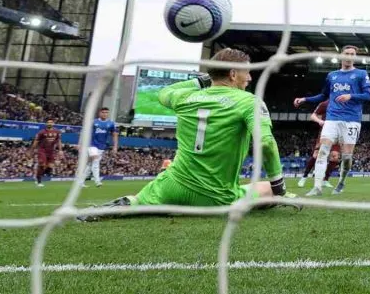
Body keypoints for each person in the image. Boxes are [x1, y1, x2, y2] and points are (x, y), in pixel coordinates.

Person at [80, 48, 295, 221]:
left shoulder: (184, 98)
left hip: (172, 186)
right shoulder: (248, 102)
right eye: (247, 72)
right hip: (216, 197)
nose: (249, 77)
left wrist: (201, 81)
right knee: (267, 190)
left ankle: (129, 204)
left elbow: (164, 93)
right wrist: (279, 186)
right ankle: (272, 195)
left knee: (141, 199)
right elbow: (266, 143)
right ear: (232, 74)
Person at [293, 45, 370, 196]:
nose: (349, 56)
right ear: (341, 56)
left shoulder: (361, 74)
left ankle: (341, 182)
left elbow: (368, 95)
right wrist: (305, 99)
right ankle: (317, 187)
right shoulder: (332, 75)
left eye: (352, 54)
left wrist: (351, 96)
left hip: (351, 120)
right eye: (347, 53)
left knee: (347, 157)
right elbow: (323, 95)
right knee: (323, 151)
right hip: (332, 118)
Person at [296, 100, 337, 190]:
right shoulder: (325, 104)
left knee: (335, 157)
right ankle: (304, 177)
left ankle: (325, 180)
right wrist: (320, 121)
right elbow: (313, 116)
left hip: (337, 133)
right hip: (325, 132)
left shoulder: (343, 103)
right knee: (316, 155)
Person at [82, 107, 118, 187]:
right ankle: (97, 181)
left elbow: (115, 135)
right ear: (100, 113)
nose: (105, 114)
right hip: (92, 145)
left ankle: (80, 181)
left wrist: (115, 146)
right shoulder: (94, 122)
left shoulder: (111, 123)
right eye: (103, 112)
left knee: (90, 164)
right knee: (96, 162)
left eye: (106, 112)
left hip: (102, 146)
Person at [32, 119, 62, 186]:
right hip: (42, 150)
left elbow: (59, 141)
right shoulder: (41, 132)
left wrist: (60, 150)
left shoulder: (57, 131)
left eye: (51, 122)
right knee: (42, 164)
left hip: (51, 151)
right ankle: (39, 181)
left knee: (50, 167)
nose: (49, 123)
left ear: (53, 123)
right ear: (46, 124)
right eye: (48, 122)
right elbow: (36, 141)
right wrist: (32, 150)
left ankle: (37, 175)